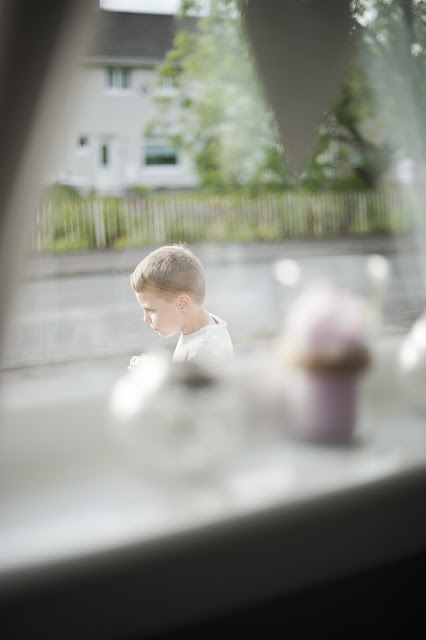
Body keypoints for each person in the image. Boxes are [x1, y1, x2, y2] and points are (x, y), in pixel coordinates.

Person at [129, 244, 234, 368]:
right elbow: (188, 372)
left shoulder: (205, 351)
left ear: (182, 304)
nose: (145, 319)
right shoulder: (200, 329)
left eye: (151, 310)